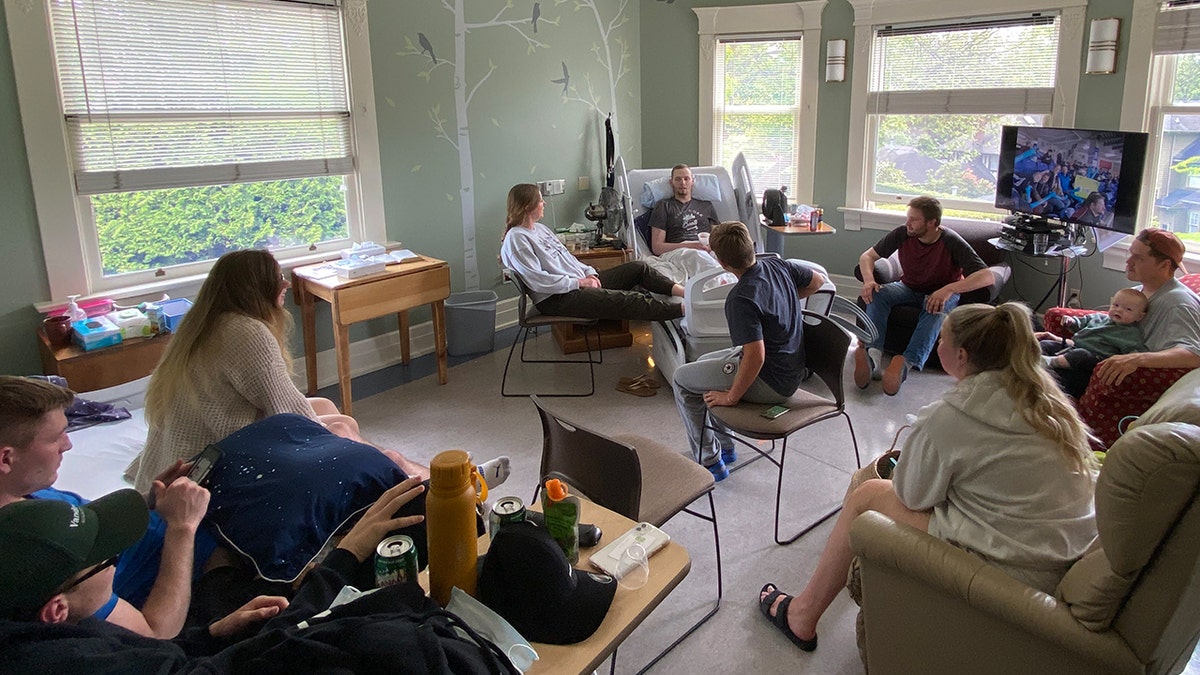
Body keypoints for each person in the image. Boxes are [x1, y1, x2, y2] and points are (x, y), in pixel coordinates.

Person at [756, 302, 1097, 652]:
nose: (936, 344)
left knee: (867, 492)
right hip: (1056, 549)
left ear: (961, 356)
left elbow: (911, 497)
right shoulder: (1046, 399)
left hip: (1014, 565)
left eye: (941, 339)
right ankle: (850, 568)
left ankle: (803, 616)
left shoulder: (952, 415)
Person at [0, 479, 455, 673]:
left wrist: (213, 632)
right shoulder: (81, 664)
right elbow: (271, 652)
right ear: (55, 609)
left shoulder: (40, 634)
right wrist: (346, 554)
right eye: (103, 559)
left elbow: (164, 652)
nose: (116, 560)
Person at [127, 249, 427, 491]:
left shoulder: (202, 324)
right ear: (253, 289)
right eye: (276, 279)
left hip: (173, 455)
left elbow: (267, 398)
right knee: (343, 426)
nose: (284, 284)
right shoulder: (245, 331)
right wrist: (336, 441)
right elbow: (288, 411)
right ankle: (403, 475)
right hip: (207, 462)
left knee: (324, 404)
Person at [0, 376, 212, 638]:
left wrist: (151, 498)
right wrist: (183, 527)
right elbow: (155, 633)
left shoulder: (25, 492)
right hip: (184, 575)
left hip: (168, 530)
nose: (68, 444)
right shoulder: (41, 555)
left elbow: (91, 520)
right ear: (6, 458)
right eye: (55, 438)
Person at [671, 221, 827, 481]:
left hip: (772, 382)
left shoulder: (741, 298)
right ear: (752, 246)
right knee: (704, 362)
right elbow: (818, 281)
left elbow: (756, 356)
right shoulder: (778, 265)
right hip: (791, 368)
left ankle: (709, 460)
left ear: (721, 263)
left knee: (681, 380)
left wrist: (731, 397)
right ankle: (727, 447)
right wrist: (782, 298)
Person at [855, 196, 994, 395]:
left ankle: (905, 364)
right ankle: (873, 357)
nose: (907, 223)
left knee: (933, 307)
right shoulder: (903, 233)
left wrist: (949, 289)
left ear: (932, 223)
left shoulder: (951, 240)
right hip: (908, 287)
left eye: (914, 219)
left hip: (941, 293)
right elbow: (867, 256)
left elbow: (987, 276)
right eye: (908, 218)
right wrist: (869, 280)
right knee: (878, 294)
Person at [500, 183, 685, 321]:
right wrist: (579, 282)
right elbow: (538, 280)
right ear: (527, 206)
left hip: (577, 283)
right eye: (540, 200)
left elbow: (567, 258)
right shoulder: (517, 239)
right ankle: (684, 310)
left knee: (639, 268)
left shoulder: (540, 229)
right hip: (557, 298)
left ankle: (684, 293)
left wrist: (589, 272)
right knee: (629, 300)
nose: (544, 204)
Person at [1092, 228, 1200, 387]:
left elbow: (1194, 354)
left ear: (1164, 265)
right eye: (1130, 254)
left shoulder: (1177, 303)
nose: (1129, 261)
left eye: (1138, 257)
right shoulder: (1137, 293)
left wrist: (1136, 359)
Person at [1035, 288, 1148, 399]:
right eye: (1116, 305)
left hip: (1093, 360)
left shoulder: (1131, 334)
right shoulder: (1098, 317)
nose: (1119, 310)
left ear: (1139, 317)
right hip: (1073, 347)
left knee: (1081, 354)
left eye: (1128, 309)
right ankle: (1032, 361)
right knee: (1046, 343)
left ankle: (1049, 362)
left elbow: (1136, 353)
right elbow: (1080, 323)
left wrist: (1134, 357)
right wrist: (1071, 321)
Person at [646, 164, 722, 281]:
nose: (683, 182)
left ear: (693, 181)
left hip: (707, 250)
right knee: (696, 256)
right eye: (678, 179)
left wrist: (712, 246)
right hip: (678, 251)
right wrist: (690, 245)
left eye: (686, 179)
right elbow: (657, 247)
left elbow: (718, 236)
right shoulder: (664, 206)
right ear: (671, 182)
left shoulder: (706, 206)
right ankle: (723, 284)